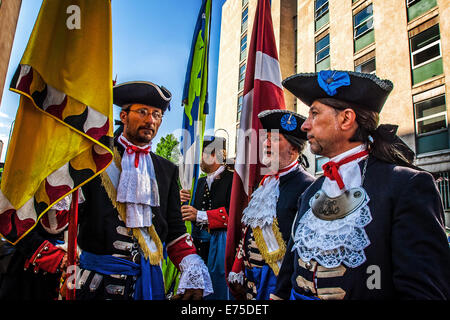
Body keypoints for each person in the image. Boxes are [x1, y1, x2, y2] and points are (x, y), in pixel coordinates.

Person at [273, 70, 450, 300]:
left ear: (346, 119)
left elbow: (424, 292)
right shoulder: (312, 192)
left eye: (314, 114)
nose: (305, 126)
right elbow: (292, 270)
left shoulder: (407, 185)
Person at [71, 81, 212, 300]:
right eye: (143, 112)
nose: (151, 121)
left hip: (146, 283)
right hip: (95, 285)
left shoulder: (167, 170)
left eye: (157, 115)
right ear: (124, 116)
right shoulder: (95, 157)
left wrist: (191, 266)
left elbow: (175, 229)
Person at [227, 109, 315, 300]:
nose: (266, 143)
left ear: (293, 148)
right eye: (266, 138)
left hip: (278, 280)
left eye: (275, 139)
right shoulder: (266, 183)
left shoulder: (307, 185)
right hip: (253, 276)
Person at [179, 136, 233, 300]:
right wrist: (179, 200)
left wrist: (199, 215)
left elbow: (234, 214)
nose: (199, 160)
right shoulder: (200, 182)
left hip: (220, 248)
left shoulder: (233, 179)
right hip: (197, 247)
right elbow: (191, 212)